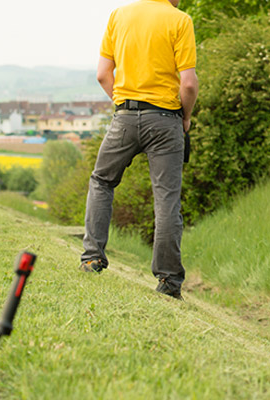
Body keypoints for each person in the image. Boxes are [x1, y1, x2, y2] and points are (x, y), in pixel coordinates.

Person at [79, 0, 198, 301]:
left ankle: (92, 257)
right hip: (167, 119)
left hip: (125, 117)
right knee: (166, 198)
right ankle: (169, 281)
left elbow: (104, 74)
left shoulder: (119, 16)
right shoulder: (179, 20)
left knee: (102, 181)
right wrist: (185, 116)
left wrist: (123, 104)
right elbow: (188, 84)